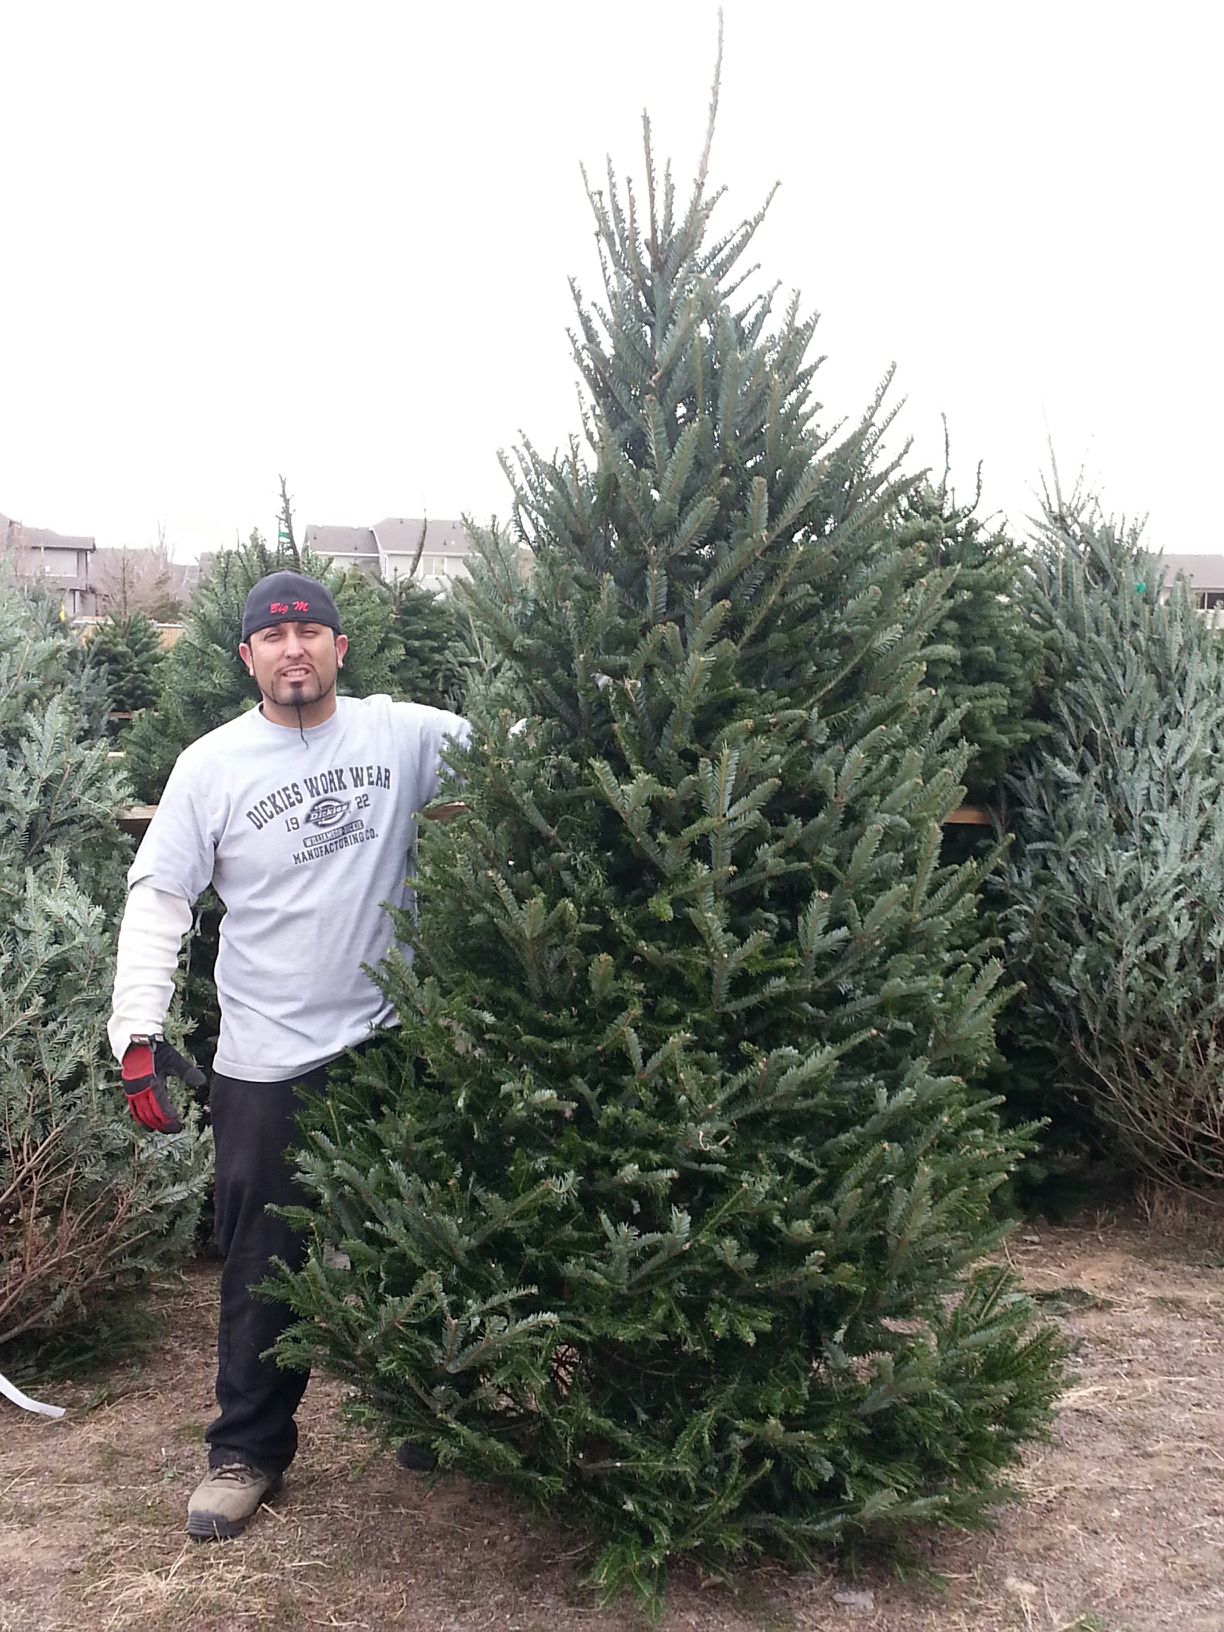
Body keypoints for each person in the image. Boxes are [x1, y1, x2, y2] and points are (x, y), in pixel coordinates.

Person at [109, 569, 468, 1542]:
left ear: (341, 648)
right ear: (247, 658)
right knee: (265, 1260)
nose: (294, 648)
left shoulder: (402, 734)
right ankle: (246, 1452)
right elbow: (160, 894)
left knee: (421, 1231)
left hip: (392, 1040)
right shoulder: (213, 765)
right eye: (274, 636)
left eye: (312, 631)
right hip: (265, 1057)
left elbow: (528, 760)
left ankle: (434, 1410)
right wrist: (139, 1028)